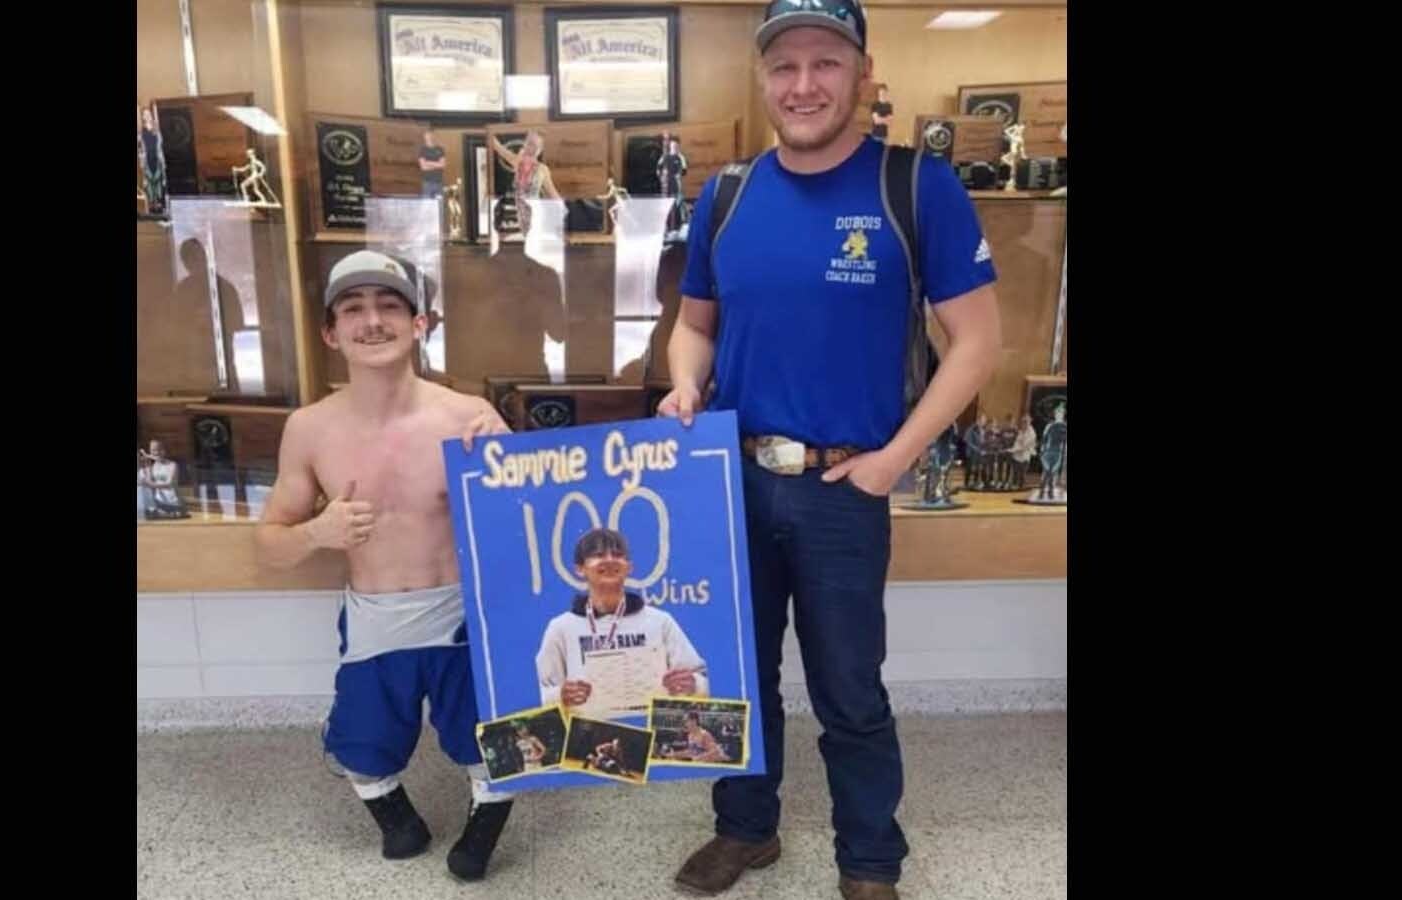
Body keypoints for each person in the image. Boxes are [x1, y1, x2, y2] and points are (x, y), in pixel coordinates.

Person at [656, 3, 1001, 898]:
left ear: (861, 74)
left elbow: (977, 343)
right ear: (763, 78)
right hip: (729, 479)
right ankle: (745, 830)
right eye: (784, 67)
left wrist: (895, 459)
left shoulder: (915, 186)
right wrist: (687, 381)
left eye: (825, 64)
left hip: (845, 486)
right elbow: (692, 325)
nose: (803, 85)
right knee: (732, 676)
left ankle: (870, 860)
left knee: (850, 690)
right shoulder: (727, 195)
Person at [254, 249, 517, 883]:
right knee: (362, 745)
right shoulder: (309, 428)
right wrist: (319, 530)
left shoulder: (468, 416)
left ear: (421, 322)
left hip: (462, 613)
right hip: (377, 619)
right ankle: (395, 815)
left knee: (494, 740)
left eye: (389, 306)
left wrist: (510, 459)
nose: (372, 321)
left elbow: (530, 530)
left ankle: (485, 824)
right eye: (353, 309)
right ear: (331, 332)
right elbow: (268, 545)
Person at [534, 528, 709, 714]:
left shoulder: (659, 622)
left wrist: (693, 685)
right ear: (579, 569)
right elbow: (542, 694)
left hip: (650, 733)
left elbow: (701, 680)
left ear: (629, 567)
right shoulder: (561, 628)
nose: (609, 560)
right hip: (588, 736)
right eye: (598, 555)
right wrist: (559, 696)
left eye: (618, 555)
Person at [487, 130, 562, 234]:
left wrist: (562, 220)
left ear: (540, 150)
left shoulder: (542, 170)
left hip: (538, 220)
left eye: (536, 146)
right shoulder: (517, 162)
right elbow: (498, 147)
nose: (532, 149)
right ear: (525, 143)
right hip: (522, 221)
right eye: (530, 143)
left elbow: (554, 195)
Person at [138, 440, 187, 519]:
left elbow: (169, 484)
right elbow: (147, 485)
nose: (157, 452)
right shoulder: (151, 467)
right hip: (159, 504)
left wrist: (150, 484)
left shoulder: (172, 465)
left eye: (159, 449)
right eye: (153, 450)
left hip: (174, 503)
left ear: (164, 450)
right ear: (150, 451)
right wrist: (145, 467)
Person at [418, 128, 447, 199]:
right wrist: (437, 164)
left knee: (439, 204)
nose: (429, 137)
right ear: (424, 137)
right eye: (427, 135)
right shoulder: (422, 150)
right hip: (427, 182)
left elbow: (443, 165)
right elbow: (423, 167)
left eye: (430, 135)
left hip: (439, 182)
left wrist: (428, 162)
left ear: (433, 136)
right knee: (427, 204)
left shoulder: (440, 149)